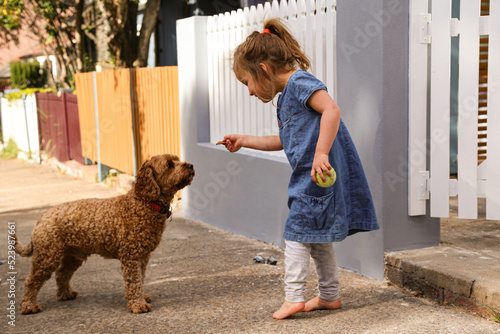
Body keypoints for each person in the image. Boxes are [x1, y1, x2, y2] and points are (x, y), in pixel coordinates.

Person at [220, 18, 379, 320]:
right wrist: (244, 140)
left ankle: (293, 297)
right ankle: (329, 296)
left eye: (247, 82)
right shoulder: (286, 98)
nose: (250, 92)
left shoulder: (299, 83)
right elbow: (283, 140)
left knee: (295, 234)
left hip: (316, 177)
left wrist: (321, 152)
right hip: (311, 178)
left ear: (263, 69)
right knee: (316, 237)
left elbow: (331, 109)